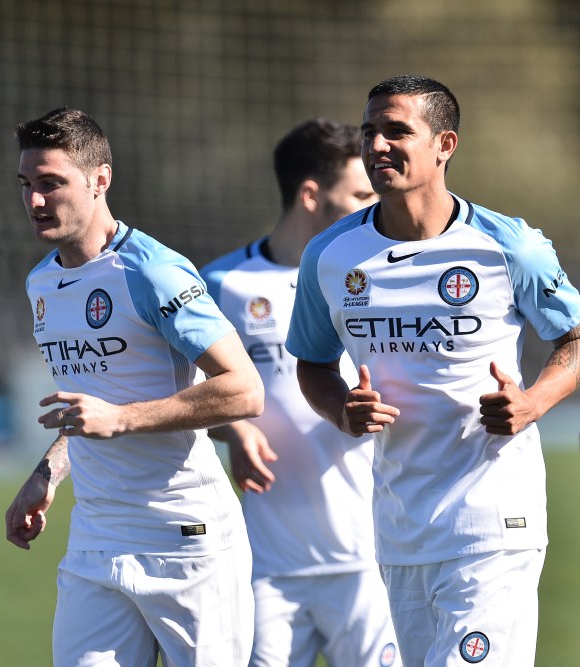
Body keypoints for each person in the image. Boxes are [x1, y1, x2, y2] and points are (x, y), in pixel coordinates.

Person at [284, 74, 580, 667]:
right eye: (369, 131)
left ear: (445, 145)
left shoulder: (510, 246)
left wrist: (533, 402)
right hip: (401, 527)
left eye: (397, 131)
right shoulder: (328, 256)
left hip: (493, 521)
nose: (377, 145)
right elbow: (313, 364)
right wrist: (343, 411)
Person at [4, 107, 264, 667]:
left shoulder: (152, 271)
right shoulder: (42, 282)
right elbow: (92, 404)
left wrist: (122, 420)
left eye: (51, 183)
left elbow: (244, 389)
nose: (35, 201)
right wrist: (45, 474)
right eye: (26, 185)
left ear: (100, 180)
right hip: (96, 536)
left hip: (185, 539)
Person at [201, 119, 401, 667]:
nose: (372, 208)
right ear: (311, 195)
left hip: (371, 555)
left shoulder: (380, 278)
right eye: (360, 194)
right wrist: (235, 428)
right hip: (268, 563)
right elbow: (187, 396)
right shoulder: (221, 285)